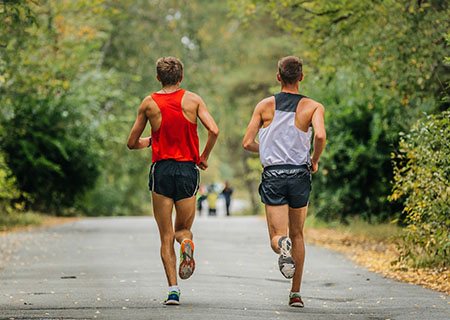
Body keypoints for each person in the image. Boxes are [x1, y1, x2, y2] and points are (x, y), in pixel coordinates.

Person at [127, 56, 219, 305]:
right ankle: (187, 242)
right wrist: (204, 157)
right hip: (189, 170)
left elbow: (132, 143)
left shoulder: (149, 103)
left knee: (165, 235)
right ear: (181, 77)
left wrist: (151, 141)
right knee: (182, 230)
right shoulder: (193, 99)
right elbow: (214, 130)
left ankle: (173, 291)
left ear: (158, 77)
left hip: (162, 170)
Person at [242, 56, 326, 308]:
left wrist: (267, 149)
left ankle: (282, 245)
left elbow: (247, 143)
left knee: (277, 236)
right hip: (300, 174)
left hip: (274, 175)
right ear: (301, 76)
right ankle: (296, 294)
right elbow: (320, 134)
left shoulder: (265, 106)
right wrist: (314, 159)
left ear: (278, 76)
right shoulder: (313, 107)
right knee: (298, 233)